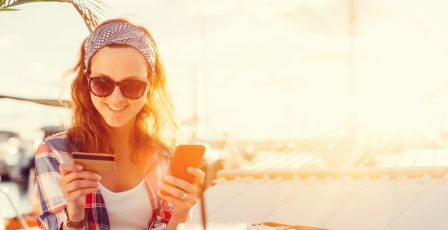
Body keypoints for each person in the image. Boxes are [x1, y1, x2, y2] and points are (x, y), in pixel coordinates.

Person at [34, 18, 205, 230]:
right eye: (102, 83)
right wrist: (74, 215)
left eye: (132, 85)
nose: (116, 99)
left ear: (149, 85)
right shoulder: (55, 153)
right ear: (87, 81)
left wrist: (179, 215)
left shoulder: (161, 156)